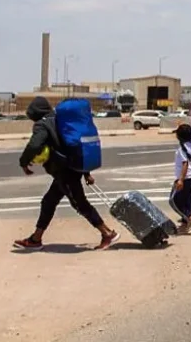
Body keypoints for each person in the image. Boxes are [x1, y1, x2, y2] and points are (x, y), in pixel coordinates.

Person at [14, 97, 120, 251]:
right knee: (49, 201)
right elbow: (74, 145)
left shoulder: (42, 124)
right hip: (70, 169)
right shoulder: (60, 120)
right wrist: (86, 172)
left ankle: (107, 233)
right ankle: (35, 239)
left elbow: (34, 144)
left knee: (79, 203)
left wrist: (23, 162)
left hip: (65, 171)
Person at [170, 124, 191, 234]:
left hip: (185, 179)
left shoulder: (181, 150)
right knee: (186, 201)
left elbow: (185, 164)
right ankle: (185, 224)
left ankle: (190, 217)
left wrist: (181, 180)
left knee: (174, 201)